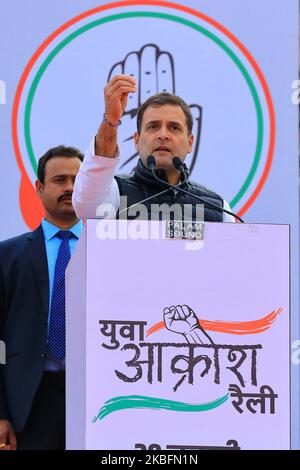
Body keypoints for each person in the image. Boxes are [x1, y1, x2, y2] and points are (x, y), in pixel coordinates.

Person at [0, 146, 84, 450]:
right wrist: (1, 415)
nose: (70, 188)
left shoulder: (108, 253)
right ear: (39, 187)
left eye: (77, 179)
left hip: (93, 398)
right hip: (30, 403)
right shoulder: (7, 256)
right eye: (59, 180)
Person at [72, 75, 235, 222]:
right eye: (153, 126)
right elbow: (86, 205)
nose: (163, 135)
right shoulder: (114, 194)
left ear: (190, 142)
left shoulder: (219, 209)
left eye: (174, 128)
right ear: (137, 140)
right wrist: (111, 120)